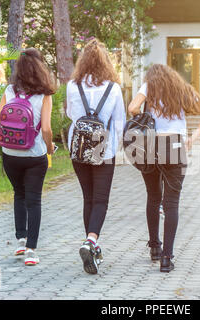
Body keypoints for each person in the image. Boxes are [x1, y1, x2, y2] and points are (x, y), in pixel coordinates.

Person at [128, 64, 200, 272]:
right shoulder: (182, 88)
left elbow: (132, 108)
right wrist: (192, 138)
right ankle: (167, 258)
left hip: (152, 145)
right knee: (171, 202)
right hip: (176, 145)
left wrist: (146, 120)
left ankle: (155, 248)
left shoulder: (149, 86)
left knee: (153, 196)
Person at [66, 39, 126, 275]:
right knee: (101, 199)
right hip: (104, 149)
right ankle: (91, 241)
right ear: (106, 63)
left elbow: (72, 114)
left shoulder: (73, 85)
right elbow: (119, 122)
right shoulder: (113, 88)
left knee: (88, 197)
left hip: (78, 148)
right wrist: (115, 148)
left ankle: (90, 243)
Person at [0, 48, 57, 266]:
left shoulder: (9, 90)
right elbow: (47, 129)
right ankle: (31, 250)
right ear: (41, 69)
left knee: (18, 194)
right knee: (34, 200)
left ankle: (21, 240)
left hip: (10, 153)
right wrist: (49, 148)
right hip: (34, 153)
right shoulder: (44, 94)